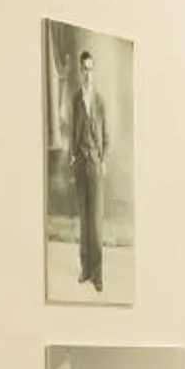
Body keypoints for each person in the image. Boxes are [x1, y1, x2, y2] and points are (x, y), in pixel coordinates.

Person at [70, 49, 110, 291]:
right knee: (84, 219)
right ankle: (85, 269)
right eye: (84, 69)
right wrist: (72, 155)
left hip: (95, 163)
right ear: (79, 71)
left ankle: (98, 274)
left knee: (95, 221)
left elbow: (106, 136)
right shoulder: (76, 99)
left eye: (91, 69)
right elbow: (73, 129)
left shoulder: (100, 101)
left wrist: (103, 159)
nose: (88, 74)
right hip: (80, 163)